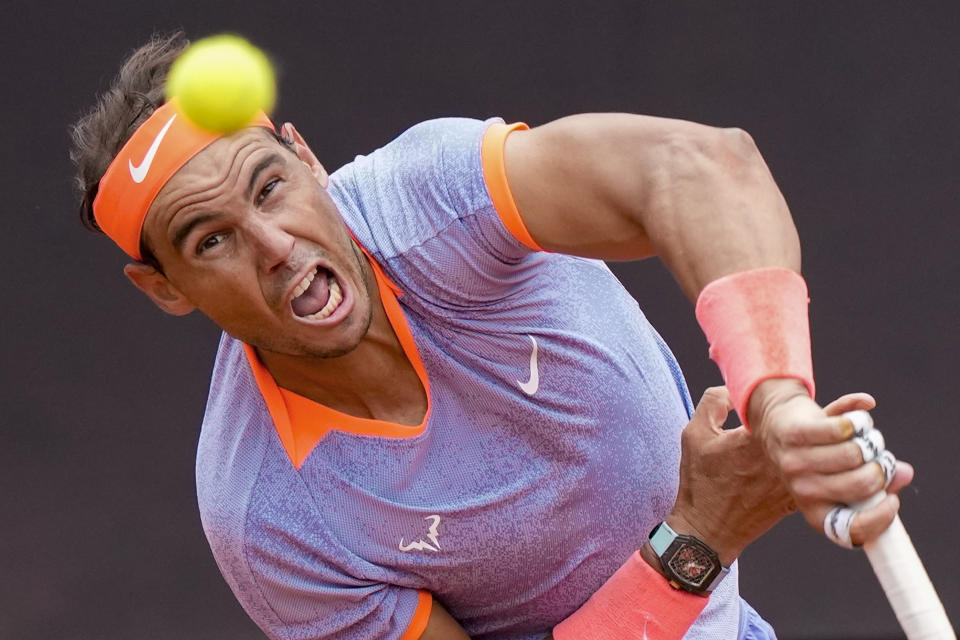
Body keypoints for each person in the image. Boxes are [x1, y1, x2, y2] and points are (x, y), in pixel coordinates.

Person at [70, 33, 912, 640]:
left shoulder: (432, 200)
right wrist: (700, 538)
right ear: (164, 288)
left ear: (308, 158)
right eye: (209, 241)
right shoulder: (269, 518)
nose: (275, 245)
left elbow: (699, 167)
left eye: (269, 187)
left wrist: (777, 400)